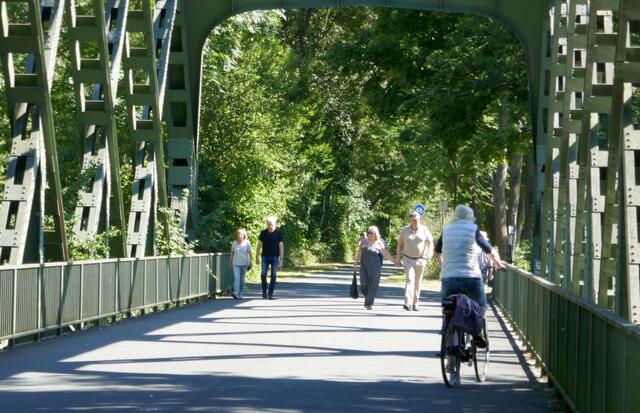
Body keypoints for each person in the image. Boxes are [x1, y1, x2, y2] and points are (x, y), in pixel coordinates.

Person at [434, 205, 503, 347]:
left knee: (447, 307)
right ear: (469, 217)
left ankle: (447, 333)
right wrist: (499, 264)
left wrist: (444, 266)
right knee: (481, 305)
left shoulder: (446, 231)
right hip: (470, 277)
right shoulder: (473, 230)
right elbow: (489, 251)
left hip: (449, 277)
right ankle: (476, 332)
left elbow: (436, 253)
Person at [395, 211, 434, 311]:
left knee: (418, 282)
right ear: (410, 219)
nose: (415, 221)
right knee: (410, 279)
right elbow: (399, 245)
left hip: (420, 260)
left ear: (420, 220)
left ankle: (415, 303)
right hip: (407, 259)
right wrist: (398, 258)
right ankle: (407, 303)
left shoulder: (424, 230)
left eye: (416, 220)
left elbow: (430, 242)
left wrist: (429, 254)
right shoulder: (405, 230)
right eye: (413, 219)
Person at [353, 226, 396, 310]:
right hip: (364, 266)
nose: (369, 234)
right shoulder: (363, 242)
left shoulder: (379, 243)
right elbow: (359, 254)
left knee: (373, 285)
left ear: (375, 234)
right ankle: (367, 298)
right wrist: (355, 264)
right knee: (363, 283)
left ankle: (368, 303)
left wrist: (394, 261)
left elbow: (386, 254)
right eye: (368, 232)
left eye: (371, 233)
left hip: (375, 268)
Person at [255, 216, 284, 299]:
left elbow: (281, 246)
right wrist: (257, 256)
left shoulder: (278, 233)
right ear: (267, 224)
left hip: (275, 257)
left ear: (274, 224)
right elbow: (259, 245)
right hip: (265, 256)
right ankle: (264, 290)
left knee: (273, 275)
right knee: (263, 274)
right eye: (268, 224)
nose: (270, 225)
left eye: (271, 224)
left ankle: (270, 293)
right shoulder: (263, 233)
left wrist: (281, 259)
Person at [229, 229, 252, 299]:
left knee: (242, 279)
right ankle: (236, 293)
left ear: (243, 235)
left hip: (244, 264)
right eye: (238, 234)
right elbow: (232, 254)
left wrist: (251, 262)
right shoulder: (234, 243)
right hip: (235, 264)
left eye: (240, 234)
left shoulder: (247, 243)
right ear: (236, 235)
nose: (239, 236)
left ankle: (240, 293)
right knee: (237, 278)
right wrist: (230, 264)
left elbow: (250, 253)